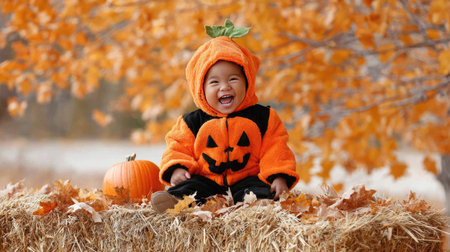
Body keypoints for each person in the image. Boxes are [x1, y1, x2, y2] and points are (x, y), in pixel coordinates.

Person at [151, 21, 299, 213]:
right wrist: (177, 169)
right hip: (206, 180)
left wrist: (278, 177)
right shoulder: (191, 122)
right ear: (200, 89)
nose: (225, 87)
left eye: (233, 79)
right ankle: (175, 203)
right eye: (214, 82)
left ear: (247, 81)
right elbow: (177, 147)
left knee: (258, 191)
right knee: (188, 189)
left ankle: (259, 206)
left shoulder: (263, 117)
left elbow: (276, 149)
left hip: (248, 179)